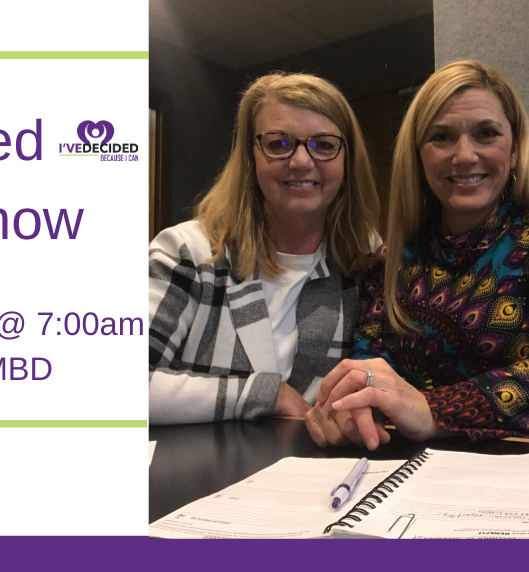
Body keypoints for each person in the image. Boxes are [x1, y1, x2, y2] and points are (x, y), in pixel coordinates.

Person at [306, 59, 529, 449]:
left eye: (486, 134)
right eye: (441, 137)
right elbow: (373, 364)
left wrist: (432, 409)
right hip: (446, 471)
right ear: (419, 156)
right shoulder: (395, 259)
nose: (464, 156)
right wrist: (357, 406)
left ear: (514, 150)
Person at [149, 73, 380, 424]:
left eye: (324, 144)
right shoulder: (187, 253)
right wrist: (264, 395)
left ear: (347, 160)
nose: (302, 161)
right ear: (250, 157)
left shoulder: (365, 260)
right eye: (278, 143)